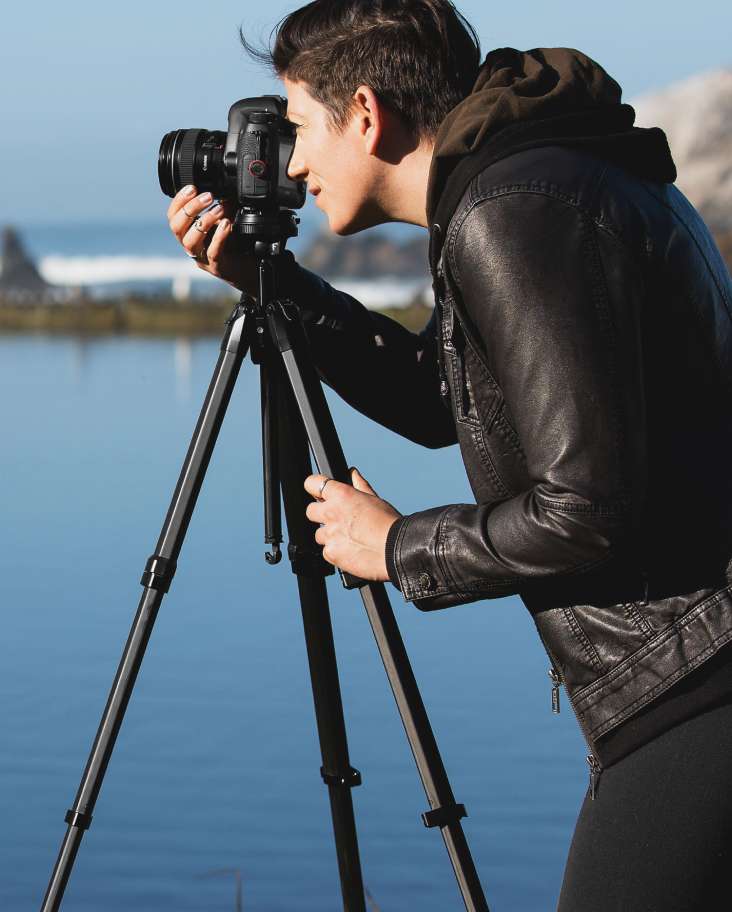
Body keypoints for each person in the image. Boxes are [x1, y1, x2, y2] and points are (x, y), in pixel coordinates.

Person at [166, 2, 732, 908]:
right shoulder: (531, 177)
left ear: (364, 112)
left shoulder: (510, 210)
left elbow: (585, 507)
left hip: (696, 683)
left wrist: (395, 547)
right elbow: (446, 399)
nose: (292, 161)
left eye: (301, 128)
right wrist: (273, 285)